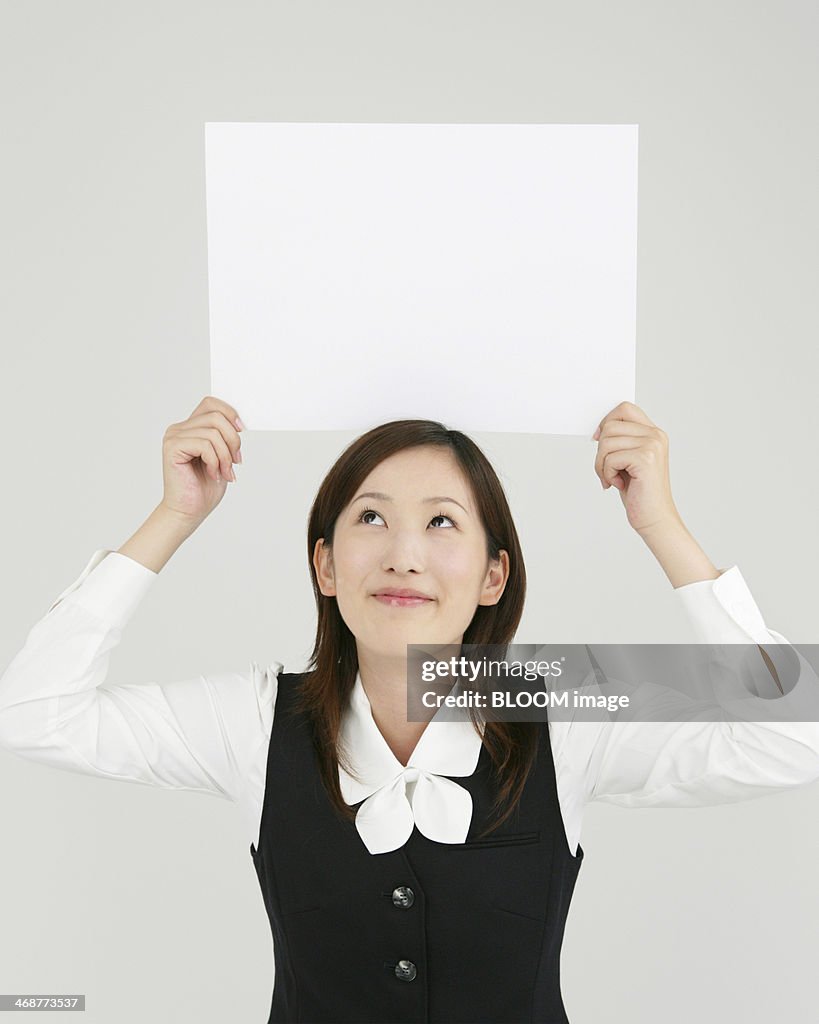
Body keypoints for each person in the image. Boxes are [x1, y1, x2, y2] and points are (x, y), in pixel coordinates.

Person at [1, 394, 817, 1024]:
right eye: (369, 519)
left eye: (441, 523)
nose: (402, 554)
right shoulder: (256, 721)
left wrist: (659, 523)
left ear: (492, 577)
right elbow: (34, 713)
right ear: (324, 564)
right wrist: (174, 517)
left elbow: (794, 736)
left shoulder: (553, 709)